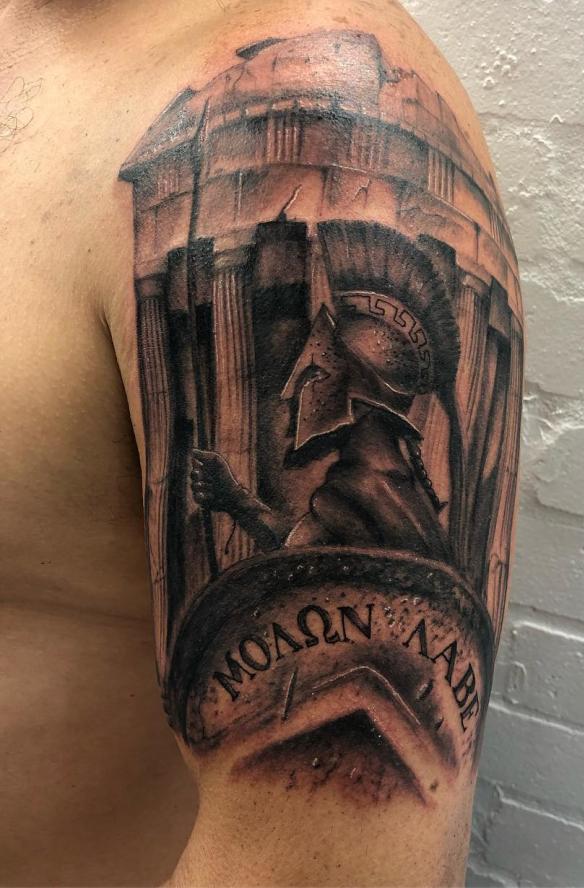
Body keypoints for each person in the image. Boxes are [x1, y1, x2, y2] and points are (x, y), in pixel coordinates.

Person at [0, 1, 523, 885]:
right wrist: (241, 503)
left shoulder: (326, 92)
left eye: (315, 364)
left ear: (358, 382)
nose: (292, 384)